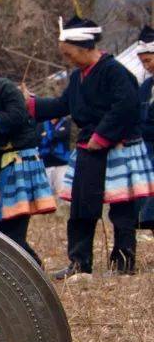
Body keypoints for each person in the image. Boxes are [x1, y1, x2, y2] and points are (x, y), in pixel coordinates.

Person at [29, 16, 154, 278]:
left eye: (70, 53)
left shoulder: (116, 72)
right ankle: (79, 263)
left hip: (118, 147)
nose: (68, 59)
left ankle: (122, 264)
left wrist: (103, 135)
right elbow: (63, 106)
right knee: (81, 209)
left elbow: (126, 107)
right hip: (89, 148)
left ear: (86, 47)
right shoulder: (77, 78)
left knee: (122, 211)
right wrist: (29, 105)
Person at [0, 69, 56, 265]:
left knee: (14, 225)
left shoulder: (5, 89)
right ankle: (30, 265)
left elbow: (14, 119)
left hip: (19, 161)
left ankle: (33, 267)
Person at [134, 26, 154, 238]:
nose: (145, 66)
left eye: (148, 61)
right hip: (147, 154)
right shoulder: (146, 86)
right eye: (143, 62)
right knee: (150, 211)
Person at [39, 116, 72, 197]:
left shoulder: (66, 122)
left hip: (62, 163)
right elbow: (38, 137)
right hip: (45, 163)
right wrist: (56, 133)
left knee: (62, 194)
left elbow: (64, 134)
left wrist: (47, 134)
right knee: (45, 194)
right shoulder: (41, 124)